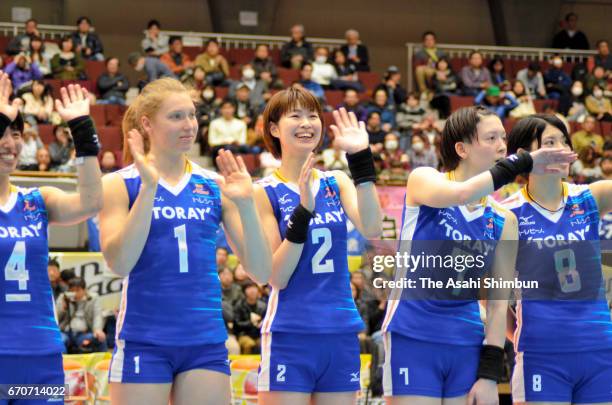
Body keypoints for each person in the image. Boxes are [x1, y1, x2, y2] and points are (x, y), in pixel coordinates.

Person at [381, 106, 577, 405]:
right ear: (462, 148)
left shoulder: (503, 220)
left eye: (503, 137)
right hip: (413, 334)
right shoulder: (425, 180)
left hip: (466, 341)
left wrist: (489, 374)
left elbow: (498, 305)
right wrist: (521, 162)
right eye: (491, 138)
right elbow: (462, 194)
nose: (502, 145)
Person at [99, 77, 271, 405]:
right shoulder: (120, 185)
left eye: (192, 115)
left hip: (204, 341)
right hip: (144, 339)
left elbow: (262, 272)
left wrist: (247, 206)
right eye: (176, 116)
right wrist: (149, 188)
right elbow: (119, 263)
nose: (189, 125)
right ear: (147, 123)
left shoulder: (215, 184)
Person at [255, 86, 382, 404]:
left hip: (340, 330)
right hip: (290, 332)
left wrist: (360, 159)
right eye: (295, 116)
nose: (307, 123)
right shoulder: (263, 192)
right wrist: (303, 212)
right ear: (274, 128)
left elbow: (373, 227)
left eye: (313, 115)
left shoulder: (335, 182)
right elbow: (277, 276)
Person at [0, 74, 103, 399]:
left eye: (15, 134)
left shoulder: (36, 199)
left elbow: (90, 203)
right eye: (1, 133)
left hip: (38, 352)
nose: (10, 143)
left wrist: (83, 131)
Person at [504, 114, 612, 404]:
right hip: (541, 353)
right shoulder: (507, 214)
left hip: (600, 349)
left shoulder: (592, 197)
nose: (563, 149)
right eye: (550, 142)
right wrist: (518, 335)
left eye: (564, 140)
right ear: (524, 156)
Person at [56, 277, 107, 353]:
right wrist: (63, 308)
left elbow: (97, 315)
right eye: (72, 290)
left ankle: (104, 362)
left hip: (83, 333)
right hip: (65, 332)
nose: (75, 293)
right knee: (59, 341)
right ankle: (60, 363)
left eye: (78, 290)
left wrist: (97, 329)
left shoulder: (93, 298)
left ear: (84, 290)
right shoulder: (63, 297)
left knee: (100, 339)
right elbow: (56, 317)